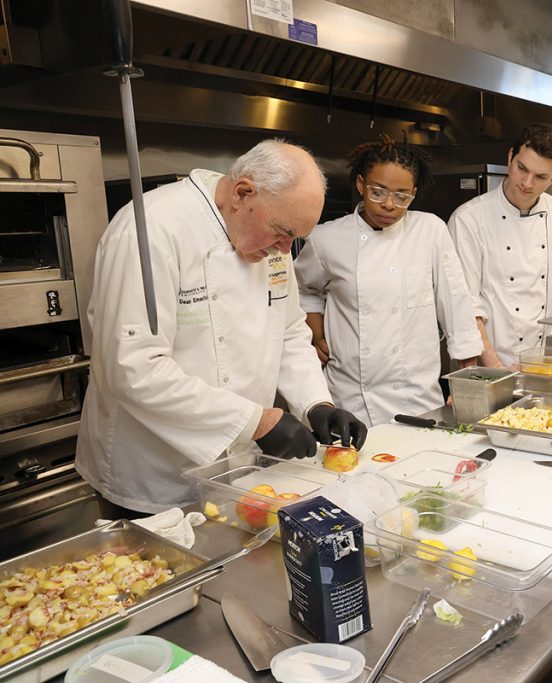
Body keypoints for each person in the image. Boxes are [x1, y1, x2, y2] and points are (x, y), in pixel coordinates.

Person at [76, 139, 367, 514]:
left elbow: (289, 329)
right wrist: (256, 421)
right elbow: (133, 367)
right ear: (242, 193)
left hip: (241, 472)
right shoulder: (150, 231)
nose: (284, 249)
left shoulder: (269, 241)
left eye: (294, 238)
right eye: (281, 232)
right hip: (152, 475)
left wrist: (316, 404)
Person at [295, 136, 482, 427]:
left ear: (414, 194)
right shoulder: (326, 239)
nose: (389, 205)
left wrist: (465, 377)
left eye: (402, 196)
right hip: (350, 397)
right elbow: (304, 290)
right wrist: (316, 334)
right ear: (360, 185)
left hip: (417, 396)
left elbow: (455, 300)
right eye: (378, 192)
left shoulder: (430, 230)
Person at [448, 123, 552, 368]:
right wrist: (499, 371)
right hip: (489, 366)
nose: (527, 183)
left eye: (541, 176)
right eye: (522, 168)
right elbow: (466, 306)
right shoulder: (468, 219)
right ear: (510, 157)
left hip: (545, 364)